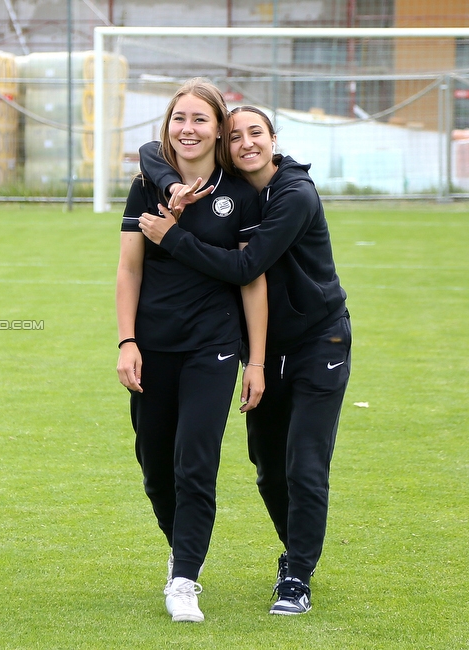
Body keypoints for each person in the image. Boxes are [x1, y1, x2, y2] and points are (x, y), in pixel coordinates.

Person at [137, 105, 350, 616]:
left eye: (257, 133)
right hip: (262, 348)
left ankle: (297, 574)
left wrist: (173, 238)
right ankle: (294, 553)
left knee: (304, 464)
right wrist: (169, 183)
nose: (247, 143)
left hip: (318, 342)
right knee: (268, 469)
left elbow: (247, 266)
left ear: (274, 139)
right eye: (236, 136)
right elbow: (150, 152)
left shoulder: (293, 194)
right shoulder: (235, 189)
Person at [116, 78, 267, 623]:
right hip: (153, 346)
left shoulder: (241, 193)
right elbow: (129, 268)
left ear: (217, 127)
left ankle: (184, 578)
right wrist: (127, 340)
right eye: (180, 118)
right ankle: (182, 549)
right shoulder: (146, 185)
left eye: (200, 119)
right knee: (155, 467)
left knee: (195, 463)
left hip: (215, 346)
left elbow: (252, 280)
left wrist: (254, 360)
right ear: (168, 126)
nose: (189, 128)